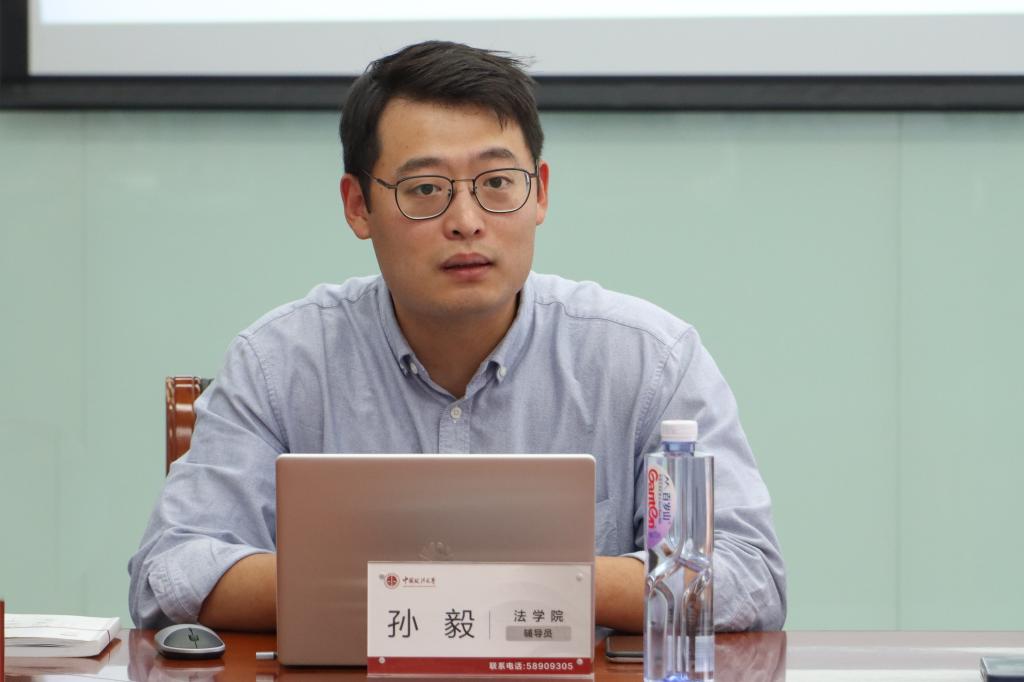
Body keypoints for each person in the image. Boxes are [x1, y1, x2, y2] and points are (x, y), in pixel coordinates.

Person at [128, 40, 786, 633]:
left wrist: (484, 583)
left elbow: (744, 576)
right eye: (425, 189)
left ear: (540, 193)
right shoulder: (281, 363)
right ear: (358, 206)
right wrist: (452, 586)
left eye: (497, 183)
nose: (467, 220)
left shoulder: (648, 359)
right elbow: (171, 572)